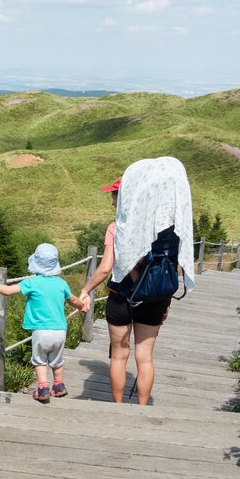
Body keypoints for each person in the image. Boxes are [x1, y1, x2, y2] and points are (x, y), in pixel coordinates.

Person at [79, 157, 194, 405]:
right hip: (153, 298)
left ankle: (118, 406)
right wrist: (165, 302)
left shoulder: (117, 228)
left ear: (127, 197)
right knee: (145, 357)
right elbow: (170, 269)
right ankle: (142, 408)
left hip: (121, 297)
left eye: (114, 195)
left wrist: (86, 289)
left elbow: (105, 268)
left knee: (119, 356)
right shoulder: (166, 230)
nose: (111, 200)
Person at [0, 243, 87, 403]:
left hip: (41, 331)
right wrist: (82, 306)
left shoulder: (31, 282)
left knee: (40, 361)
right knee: (57, 361)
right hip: (60, 330)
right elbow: (73, 300)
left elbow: (9, 290)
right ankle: (59, 386)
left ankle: (42, 389)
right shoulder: (61, 283)